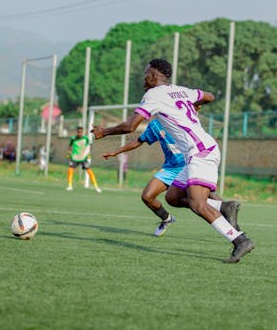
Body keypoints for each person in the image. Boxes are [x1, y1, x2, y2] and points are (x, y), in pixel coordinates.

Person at [92, 58, 254, 263]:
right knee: (173, 197)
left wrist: (104, 132)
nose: (144, 77)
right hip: (199, 150)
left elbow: (131, 126)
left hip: (200, 152)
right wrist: (194, 103)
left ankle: (240, 241)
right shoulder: (180, 90)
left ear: (154, 74)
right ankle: (223, 207)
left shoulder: (152, 95)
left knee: (198, 204)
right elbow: (210, 96)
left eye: (146, 73)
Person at [103, 118, 240, 237]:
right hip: (170, 168)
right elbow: (139, 141)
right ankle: (166, 218)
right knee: (147, 196)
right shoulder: (155, 125)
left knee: (207, 198)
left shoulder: (181, 118)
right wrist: (116, 152)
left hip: (189, 164)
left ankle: (233, 226)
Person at [67, 126, 101, 193]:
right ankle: (69, 186)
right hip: (74, 158)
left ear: (83, 132)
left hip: (83, 158)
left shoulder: (86, 138)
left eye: (81, 132)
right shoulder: (73, 138)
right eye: (78, 132)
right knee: (70, 170)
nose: (80, 133)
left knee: (90, 172)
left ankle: (96, 187)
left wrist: (89, 154)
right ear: (77, 132)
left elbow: (90, 145)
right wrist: (68, 153)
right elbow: (70, 146)